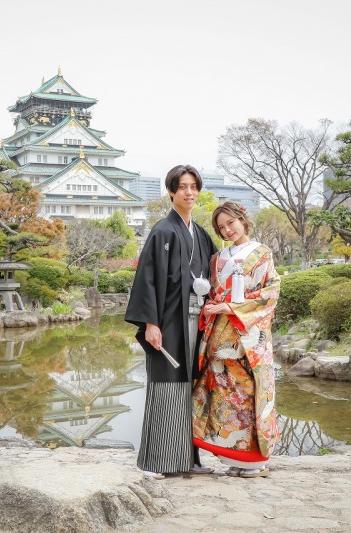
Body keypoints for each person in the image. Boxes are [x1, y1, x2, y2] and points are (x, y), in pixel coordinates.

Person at [125, 164, 218, 478]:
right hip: (169, 322)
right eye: (183, 187)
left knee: (191, 388)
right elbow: (147, 278)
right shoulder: (162, 230)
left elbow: (218, 271)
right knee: (166, 386)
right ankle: (156, 461)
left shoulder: (201, 234)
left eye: (193, 186)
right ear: (171, 191)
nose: (189, 192)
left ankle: (189, 459)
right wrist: (150, 323)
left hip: (197, 321)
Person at [192, 201, 281, 478]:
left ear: (243, 220)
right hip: (220, 336)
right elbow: (212, 293)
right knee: (223, 395)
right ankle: (233, 457)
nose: (227, 230)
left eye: (231, 223)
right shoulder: (217, 258)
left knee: (250, 393)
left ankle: (254, 461)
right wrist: (210, 305)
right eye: (221, 227)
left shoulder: (261, 253)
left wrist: (231, 307)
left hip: (248, 337)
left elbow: (271, 291)